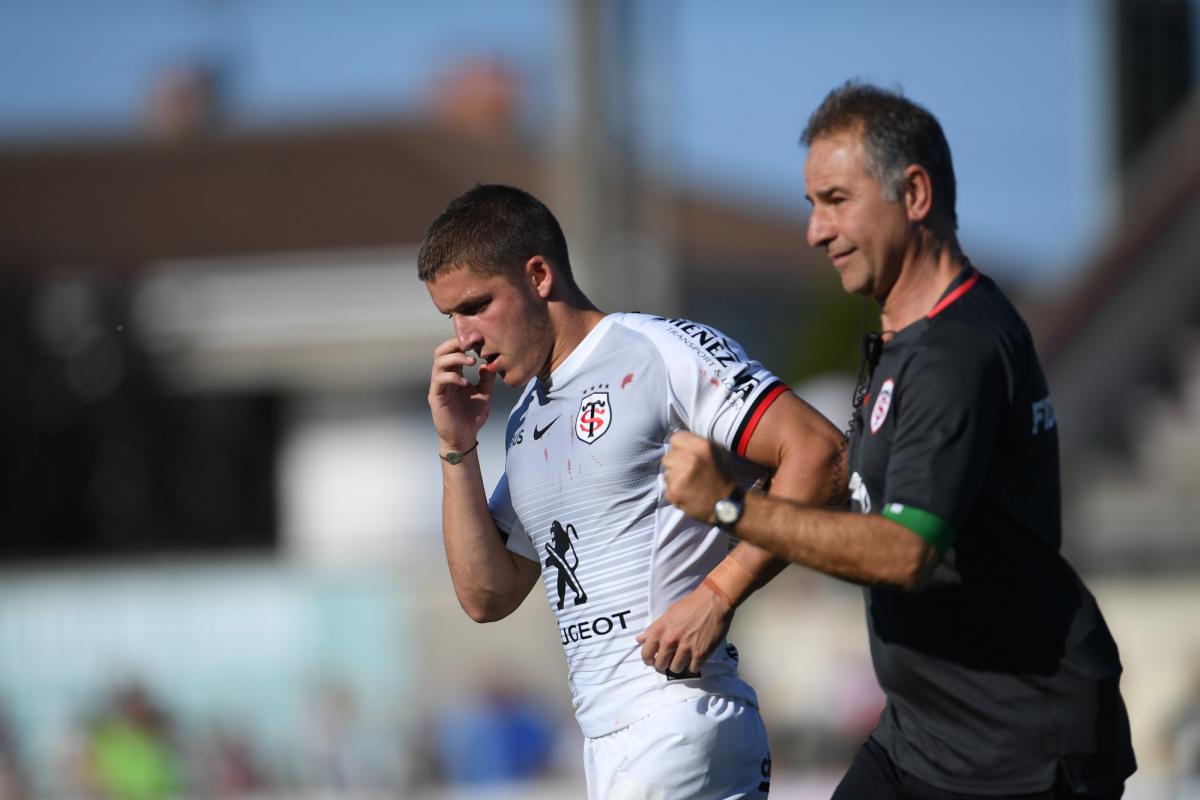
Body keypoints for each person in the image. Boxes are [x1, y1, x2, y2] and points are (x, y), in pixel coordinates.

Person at [662, 82, 1137, 799]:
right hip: (922, 736)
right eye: (811, 205)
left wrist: (730, 506)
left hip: (1017, 754)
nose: (815, 231)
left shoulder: (957, 352)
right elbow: (866, 488)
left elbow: (905, 550)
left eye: (836, 200)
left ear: (914, 194)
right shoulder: (899, 333)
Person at [419, 183, 845, 800]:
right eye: (449, 317)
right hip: (607, 738)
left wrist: (719, 594)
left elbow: (819, 452)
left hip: (678, 715)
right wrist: (457, 446)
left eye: (476, 305)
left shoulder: (656, 351)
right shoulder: (524, 419)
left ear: (538, 275)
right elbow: (489, 594)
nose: (465, 338)